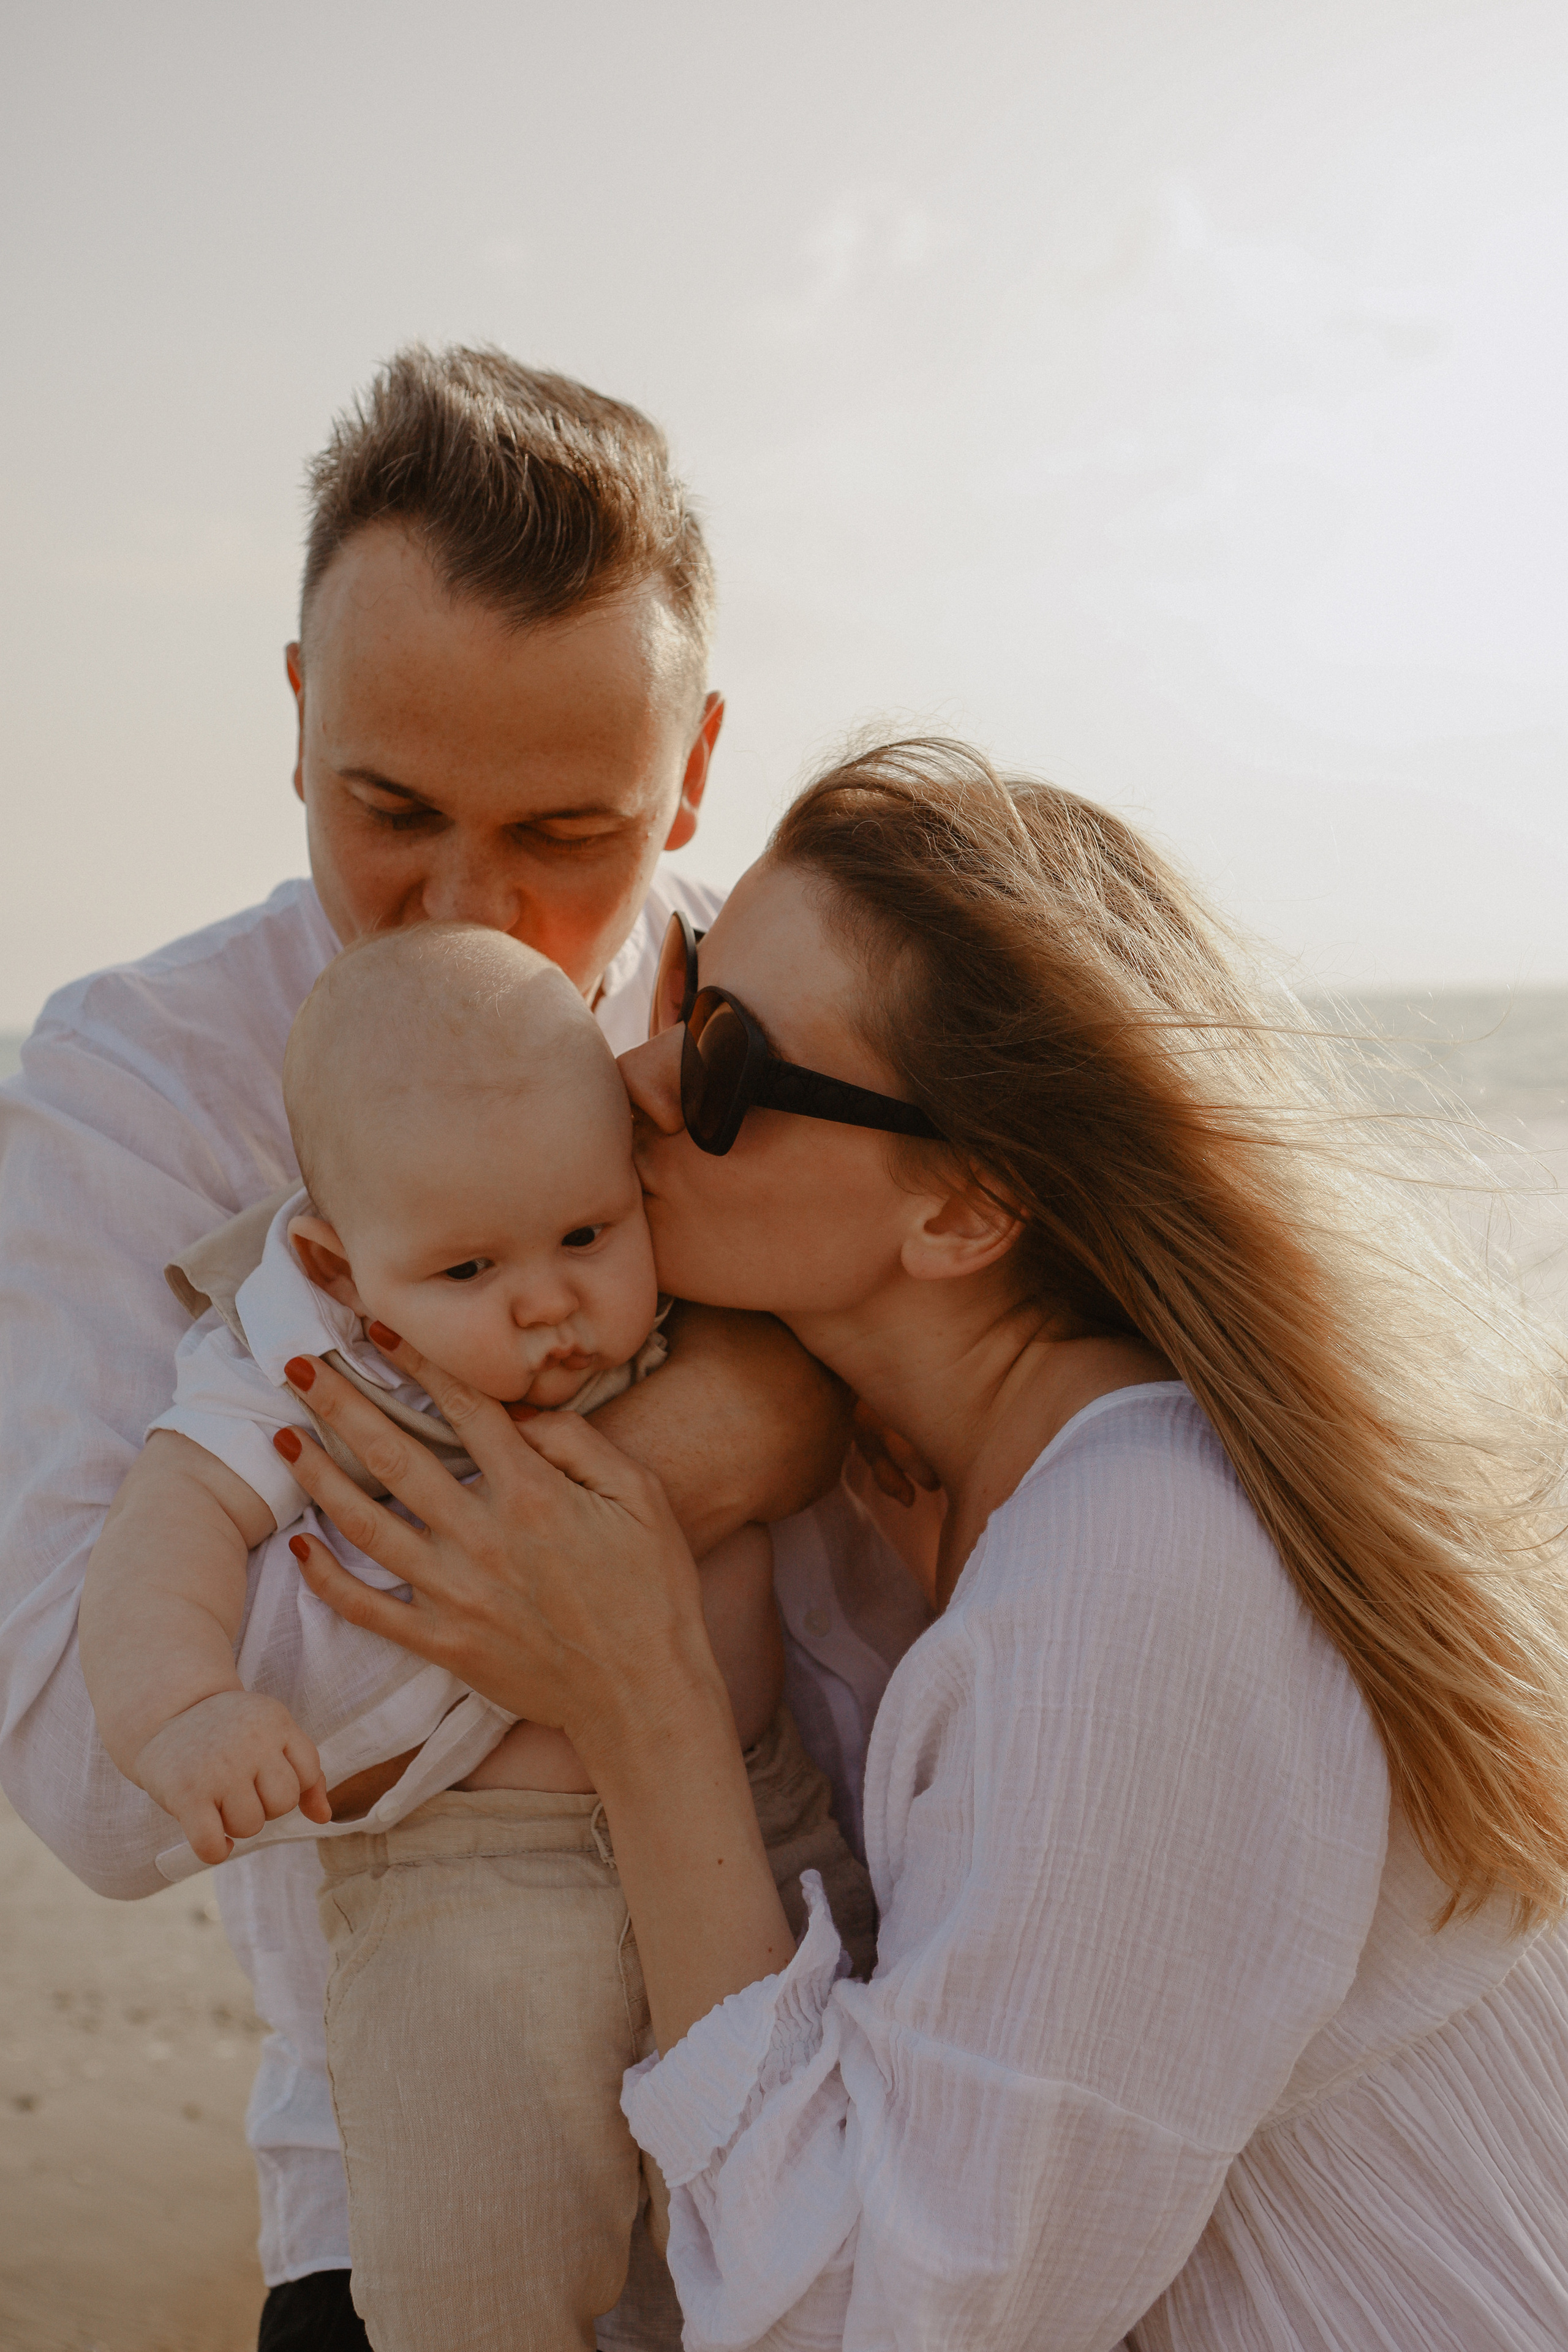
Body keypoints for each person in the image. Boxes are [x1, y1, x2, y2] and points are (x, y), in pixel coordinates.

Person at [282, 739, 1568, 2350]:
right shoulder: (956, 1490)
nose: (642, 1076)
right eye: (685, 990)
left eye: (733, 1059)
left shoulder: (1139, 1572)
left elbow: (878, 2314)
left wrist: (654, 1711)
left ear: (964, 1211)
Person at [0, 348, 927, 2348]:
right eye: (390, 809)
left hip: (878, 2132)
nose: (472, 909)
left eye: (571, 833)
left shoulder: (813, 1045)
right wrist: (683, 1460)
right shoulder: (123, 1099)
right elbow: (96, 1774)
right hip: (400, 2171)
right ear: (300, 718)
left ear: (690, 775)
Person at [80, 921, 875, 2347]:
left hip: (752, 1818)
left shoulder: (660, 1260)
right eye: (466, 1273)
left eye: (585, 1236)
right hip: (474, 1889)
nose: (547, 1301)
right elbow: (165, 1530)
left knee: (820, 2218)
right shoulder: (298, 1355)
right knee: (478, 2272)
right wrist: (184, 1707)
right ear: (338, 1259)